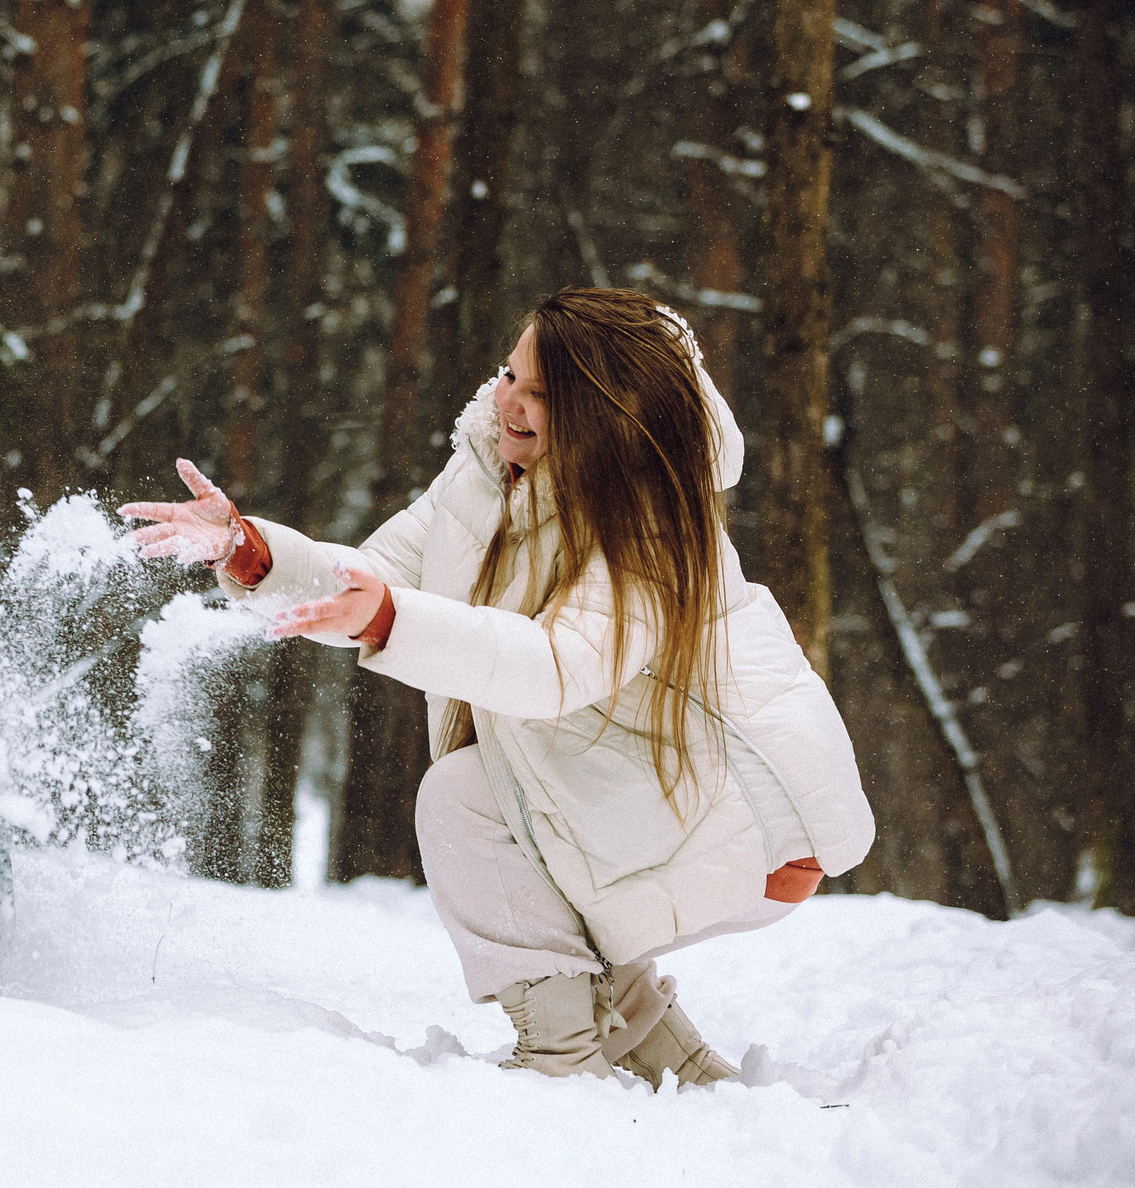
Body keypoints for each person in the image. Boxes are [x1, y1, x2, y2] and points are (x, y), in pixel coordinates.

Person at [121, 287, 874, 1084]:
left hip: (747, 815)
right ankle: (656, 1042)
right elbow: (378, 574)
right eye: (510, 372)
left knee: (467, 800)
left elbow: (554, 667)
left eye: (541, 393)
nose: (508, 400)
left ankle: (561, 1053)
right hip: (640, 783)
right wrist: (250, 551)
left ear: (603, 411)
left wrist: (389, 623)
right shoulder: (489, 467)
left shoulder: (651, 511)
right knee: (501, 792)